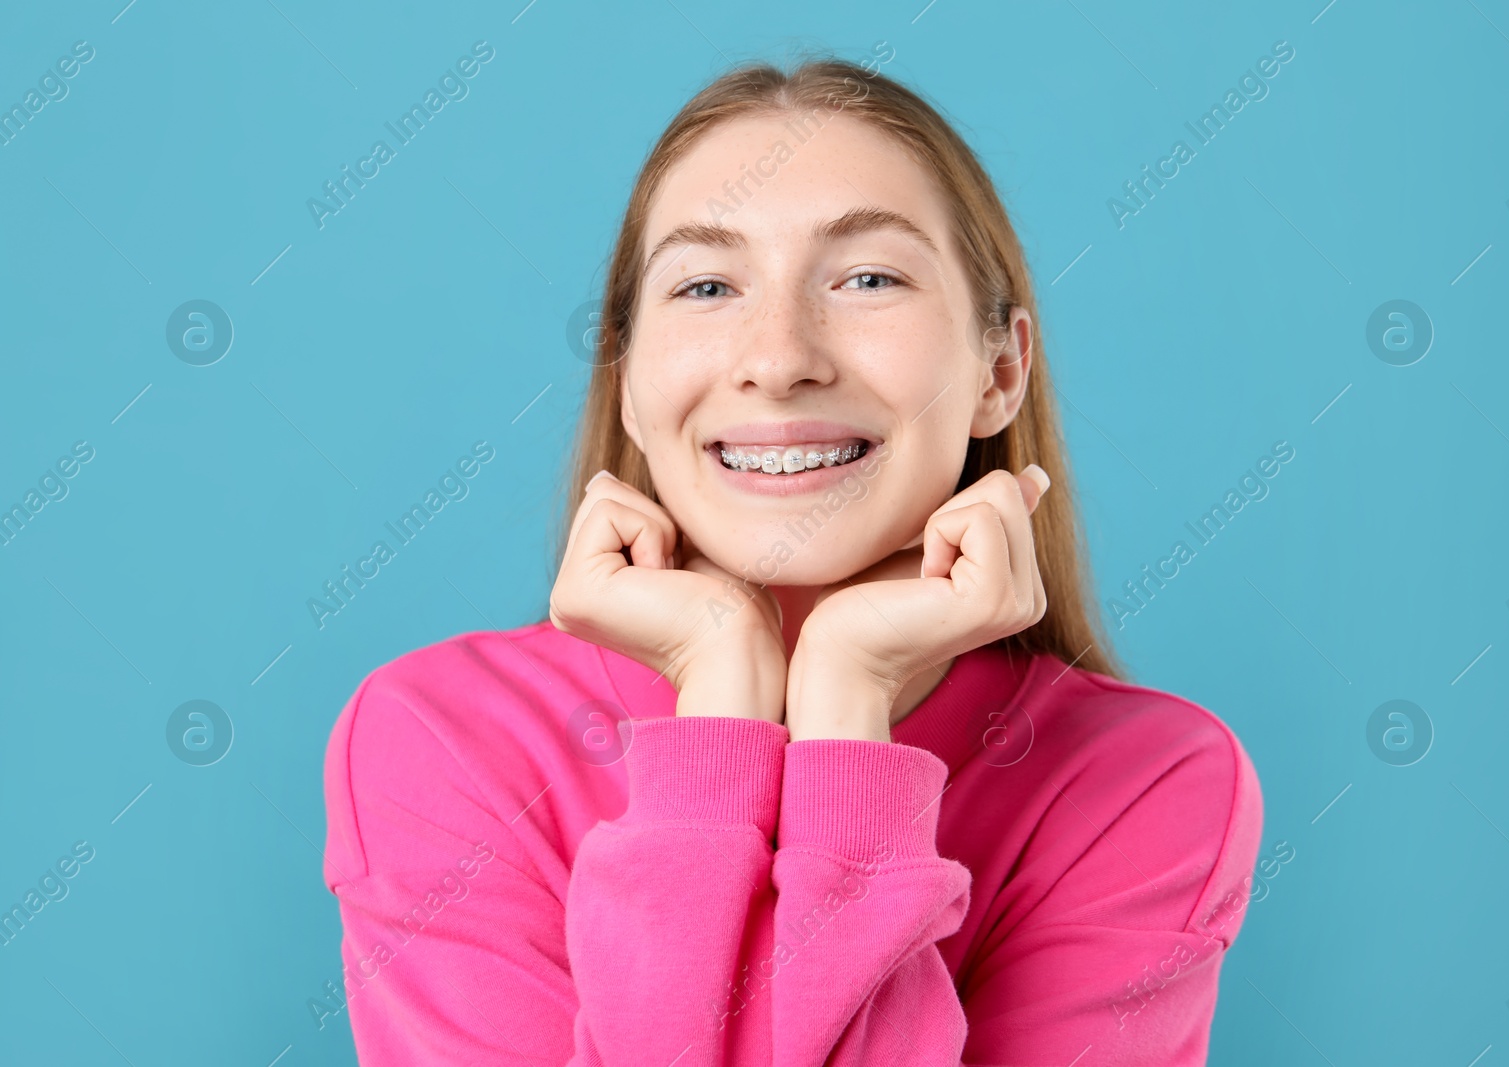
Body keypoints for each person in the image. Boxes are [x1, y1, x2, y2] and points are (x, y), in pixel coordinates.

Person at [322, 54, 1263, 1065]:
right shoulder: (441, 740)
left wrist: (847, 708)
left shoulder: (1138, 782)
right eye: (708, 283)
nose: (778, 356)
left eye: (867, 277)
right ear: (631, 384)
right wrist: (721, 698)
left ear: (998, 371)